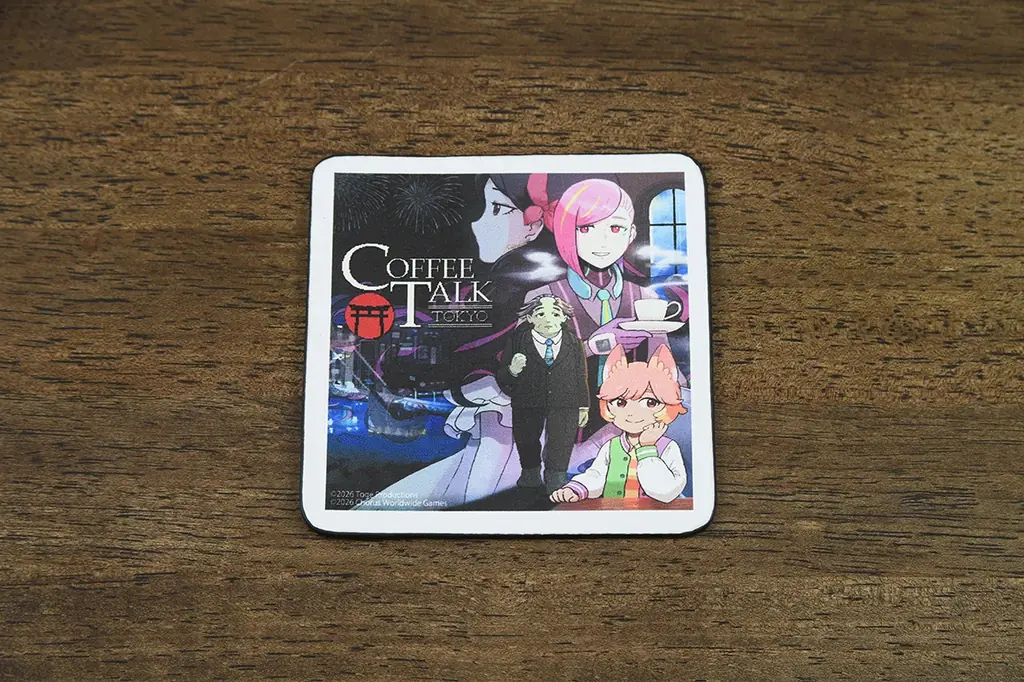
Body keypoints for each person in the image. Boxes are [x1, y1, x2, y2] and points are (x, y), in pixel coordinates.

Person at [522, 175, 672, 440]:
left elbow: (666, 370)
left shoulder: (645, 298)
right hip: (562, 428)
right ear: (564, 232)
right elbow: (528, 371)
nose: (602, 242)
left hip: (633, 427)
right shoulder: (543, 296)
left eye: (615, 228)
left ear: (631, 234)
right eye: (585, 228)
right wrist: (594, 346)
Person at [550, 344, 687, 504]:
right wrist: (576, 489)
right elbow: (596, 475)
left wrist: (647, 449)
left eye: (650, 402)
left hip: (654, 515)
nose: (632, 412)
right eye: (621, 403)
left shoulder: (668, 447)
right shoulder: (611, 446)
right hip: (612, 512)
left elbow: (666, 492)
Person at [496, 295, 589, 494]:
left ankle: (556, 477)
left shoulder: (573, 343)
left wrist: (583, 406)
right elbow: (502, 376)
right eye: (540, 314)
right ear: (530, 318)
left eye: (555, 314)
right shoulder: (518, 341)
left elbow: (581, 375)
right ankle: (530, 474)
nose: (548, 319)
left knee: (561, 440)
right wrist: (513, 370)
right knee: (527, 439)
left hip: (565, 402)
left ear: (564, 318)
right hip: (527, 401)